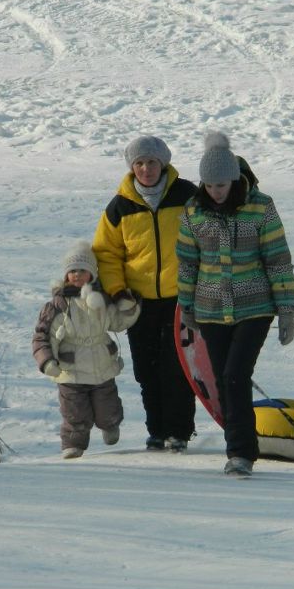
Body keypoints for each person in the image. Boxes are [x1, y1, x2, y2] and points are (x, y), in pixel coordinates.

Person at [176, 132, 294, 477]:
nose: (216, 191)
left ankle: (241, 453)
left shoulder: (260, 206)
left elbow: (278, 260)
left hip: (254, 306)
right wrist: (188, 307)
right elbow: (187, 263)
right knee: (222, 379)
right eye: (209, 185)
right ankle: (241, 446)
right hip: (211, 308)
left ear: (234, 178)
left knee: (234, 376)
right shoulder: (193, 211)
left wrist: (286, 311)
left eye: (222, 184)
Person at [93, 135, 198, 452]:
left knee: (178, 368)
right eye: (139, 163)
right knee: (146, 369)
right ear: (132, 167)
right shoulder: (120, 206)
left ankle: (179, 431)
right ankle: (157, 430)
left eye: (151, 162)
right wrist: (117, 291)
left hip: (181, 300)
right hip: (138, 303)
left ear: (163, 163)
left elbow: (208, 237)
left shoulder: (188, 196)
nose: (146, 169)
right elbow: (107, 254)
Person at [32, 241, 139, 459]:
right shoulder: (57, 306)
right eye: (72, 271)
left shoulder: (100, 301)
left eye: (82, 270)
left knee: (107, 406)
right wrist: (47, 361)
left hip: (101, 366)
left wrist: (129, 309)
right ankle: (73, 444)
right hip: (70, 369)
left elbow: (117, 323)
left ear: (92, 274)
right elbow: (43, 335)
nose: (77, 275)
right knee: (74, 412)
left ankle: (110, 425)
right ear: (65, 275)